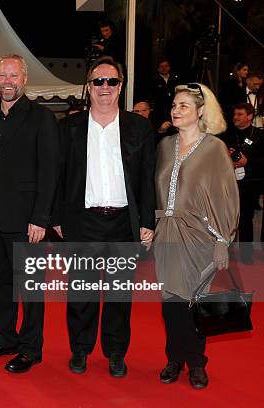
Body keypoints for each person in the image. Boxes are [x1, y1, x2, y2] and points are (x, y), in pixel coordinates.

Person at [52, 56, 155, 378]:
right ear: (89, 87)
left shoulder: (139, 127)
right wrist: (56, 215)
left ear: (121, 86)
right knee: (80, 291)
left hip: (124, 222)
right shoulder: (69, 127)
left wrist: (147, 222)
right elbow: (58, 175)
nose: (105, 87)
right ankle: (80, 349)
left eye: (111, 81)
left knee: (119, 293)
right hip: (84, 221)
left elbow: (147, 178)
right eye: (98, 81)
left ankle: (115, 352)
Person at [0, 54, 60, 374]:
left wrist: (40, 218)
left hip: (26, 219)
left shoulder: (42, 118)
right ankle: (6, 338)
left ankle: (30, 348)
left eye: (13, 76)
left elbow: (50, 172)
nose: (7, 81)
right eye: (2, 76)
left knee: (31, 286)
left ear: (24, 80)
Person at [154, 83, 239, 389]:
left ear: (200, 111)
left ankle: (196, 363)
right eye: (175, 105)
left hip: (201, 236)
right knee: (171, 303)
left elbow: (227, 196)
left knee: (194, 302)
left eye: (184, 106)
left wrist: (222, 240)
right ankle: (175, 358)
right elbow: (156, 192)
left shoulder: (215, 148)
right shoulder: (164, 146)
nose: (176, 110)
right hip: (167, 235)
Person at [217, 103, 264, 264]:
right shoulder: (227, 133)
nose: (236, 117)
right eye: (235, 114)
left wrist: (247, 161)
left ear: (250, 116)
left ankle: (246, 253)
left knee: (245, 218)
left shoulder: (259, 135)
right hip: (228, 182)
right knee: (226, 218)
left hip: (250, 183)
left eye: (240, 114)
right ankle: (225, 252)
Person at [150, 58, 181, 131]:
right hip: (160, 110)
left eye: (166, 66)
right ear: (158, 69)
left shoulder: (175, 79)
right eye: (162, 66)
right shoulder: (154, 80)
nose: (164, 68)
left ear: (169, 67)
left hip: (173, 108)